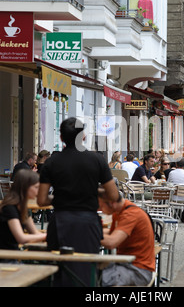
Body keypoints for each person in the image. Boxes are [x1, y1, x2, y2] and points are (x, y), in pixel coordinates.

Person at [37, 117, 120, 287]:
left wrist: (61, 196)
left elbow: (41, 200)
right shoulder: (97, 160)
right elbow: (112, 195)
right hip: (87, 223)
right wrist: (91, 190)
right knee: (85, 271)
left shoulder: (52, 162)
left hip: (60, 221)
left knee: (59, 271)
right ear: (83, 136)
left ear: (61, 138)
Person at [98, 188, 155, 287]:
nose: (100, 210)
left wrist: (90, 234)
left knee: (93, 278)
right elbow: (112, 233)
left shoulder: (130, 214)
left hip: (138, 271)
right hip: (126, 264)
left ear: (112, 203)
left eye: (101, 206)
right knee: (89, 271)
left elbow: (111, 242)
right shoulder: (121, 211)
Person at [0, 169, 47, 250]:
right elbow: (21, 238)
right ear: (25, 187)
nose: (39, 190)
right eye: (36, 187)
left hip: (12, 254)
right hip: (2, 257)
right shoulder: (9, 208)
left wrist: (48, 236)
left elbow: (34, 232)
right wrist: (46, 236)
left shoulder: (22, 207)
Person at [167, 157, 184, 222]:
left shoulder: (171, 173)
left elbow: (168, 184)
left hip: (174, 199)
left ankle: (172, 215)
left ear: (176, 164)